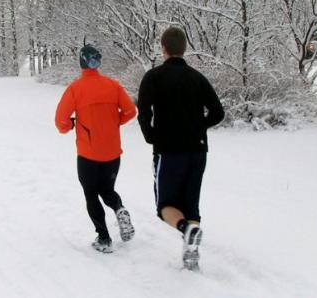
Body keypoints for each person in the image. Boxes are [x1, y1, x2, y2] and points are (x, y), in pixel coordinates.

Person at [136, 27, 224, 270]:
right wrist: (198, 127)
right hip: (198, 151)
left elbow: (143, 112)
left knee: (165, 206)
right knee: (190, 203)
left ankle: (186, 230)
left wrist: (151, 136)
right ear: (184, 49)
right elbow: (218, 113)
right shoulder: (197, 78)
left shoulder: (153, 77)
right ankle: (190, 248)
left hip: (168, 150)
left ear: (163, 49)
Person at [55, 44, 137, 253]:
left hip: (88, 154)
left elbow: (60, 122)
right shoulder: (113, 85)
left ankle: (104, 239)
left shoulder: (75, 89)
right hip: (112, 153)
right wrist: (113, 122)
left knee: (91, 194)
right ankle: (119, 209)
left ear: (82, 62)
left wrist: (72, 125)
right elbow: (130, 111)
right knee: (107, 190)